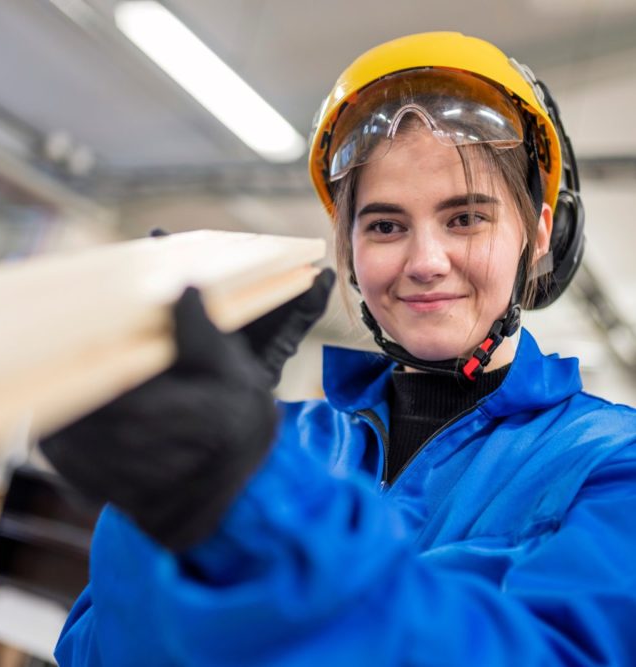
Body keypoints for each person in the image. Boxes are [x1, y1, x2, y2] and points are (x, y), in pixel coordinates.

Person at [41, 32, 636, 666]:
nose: (425, 262)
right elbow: (94, 653)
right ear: (348, 250)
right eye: (385, 226)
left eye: (466, 218)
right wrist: (159, 508)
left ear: (540, 235)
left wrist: (250, 503)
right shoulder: (283, 442)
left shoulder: (610, 466)